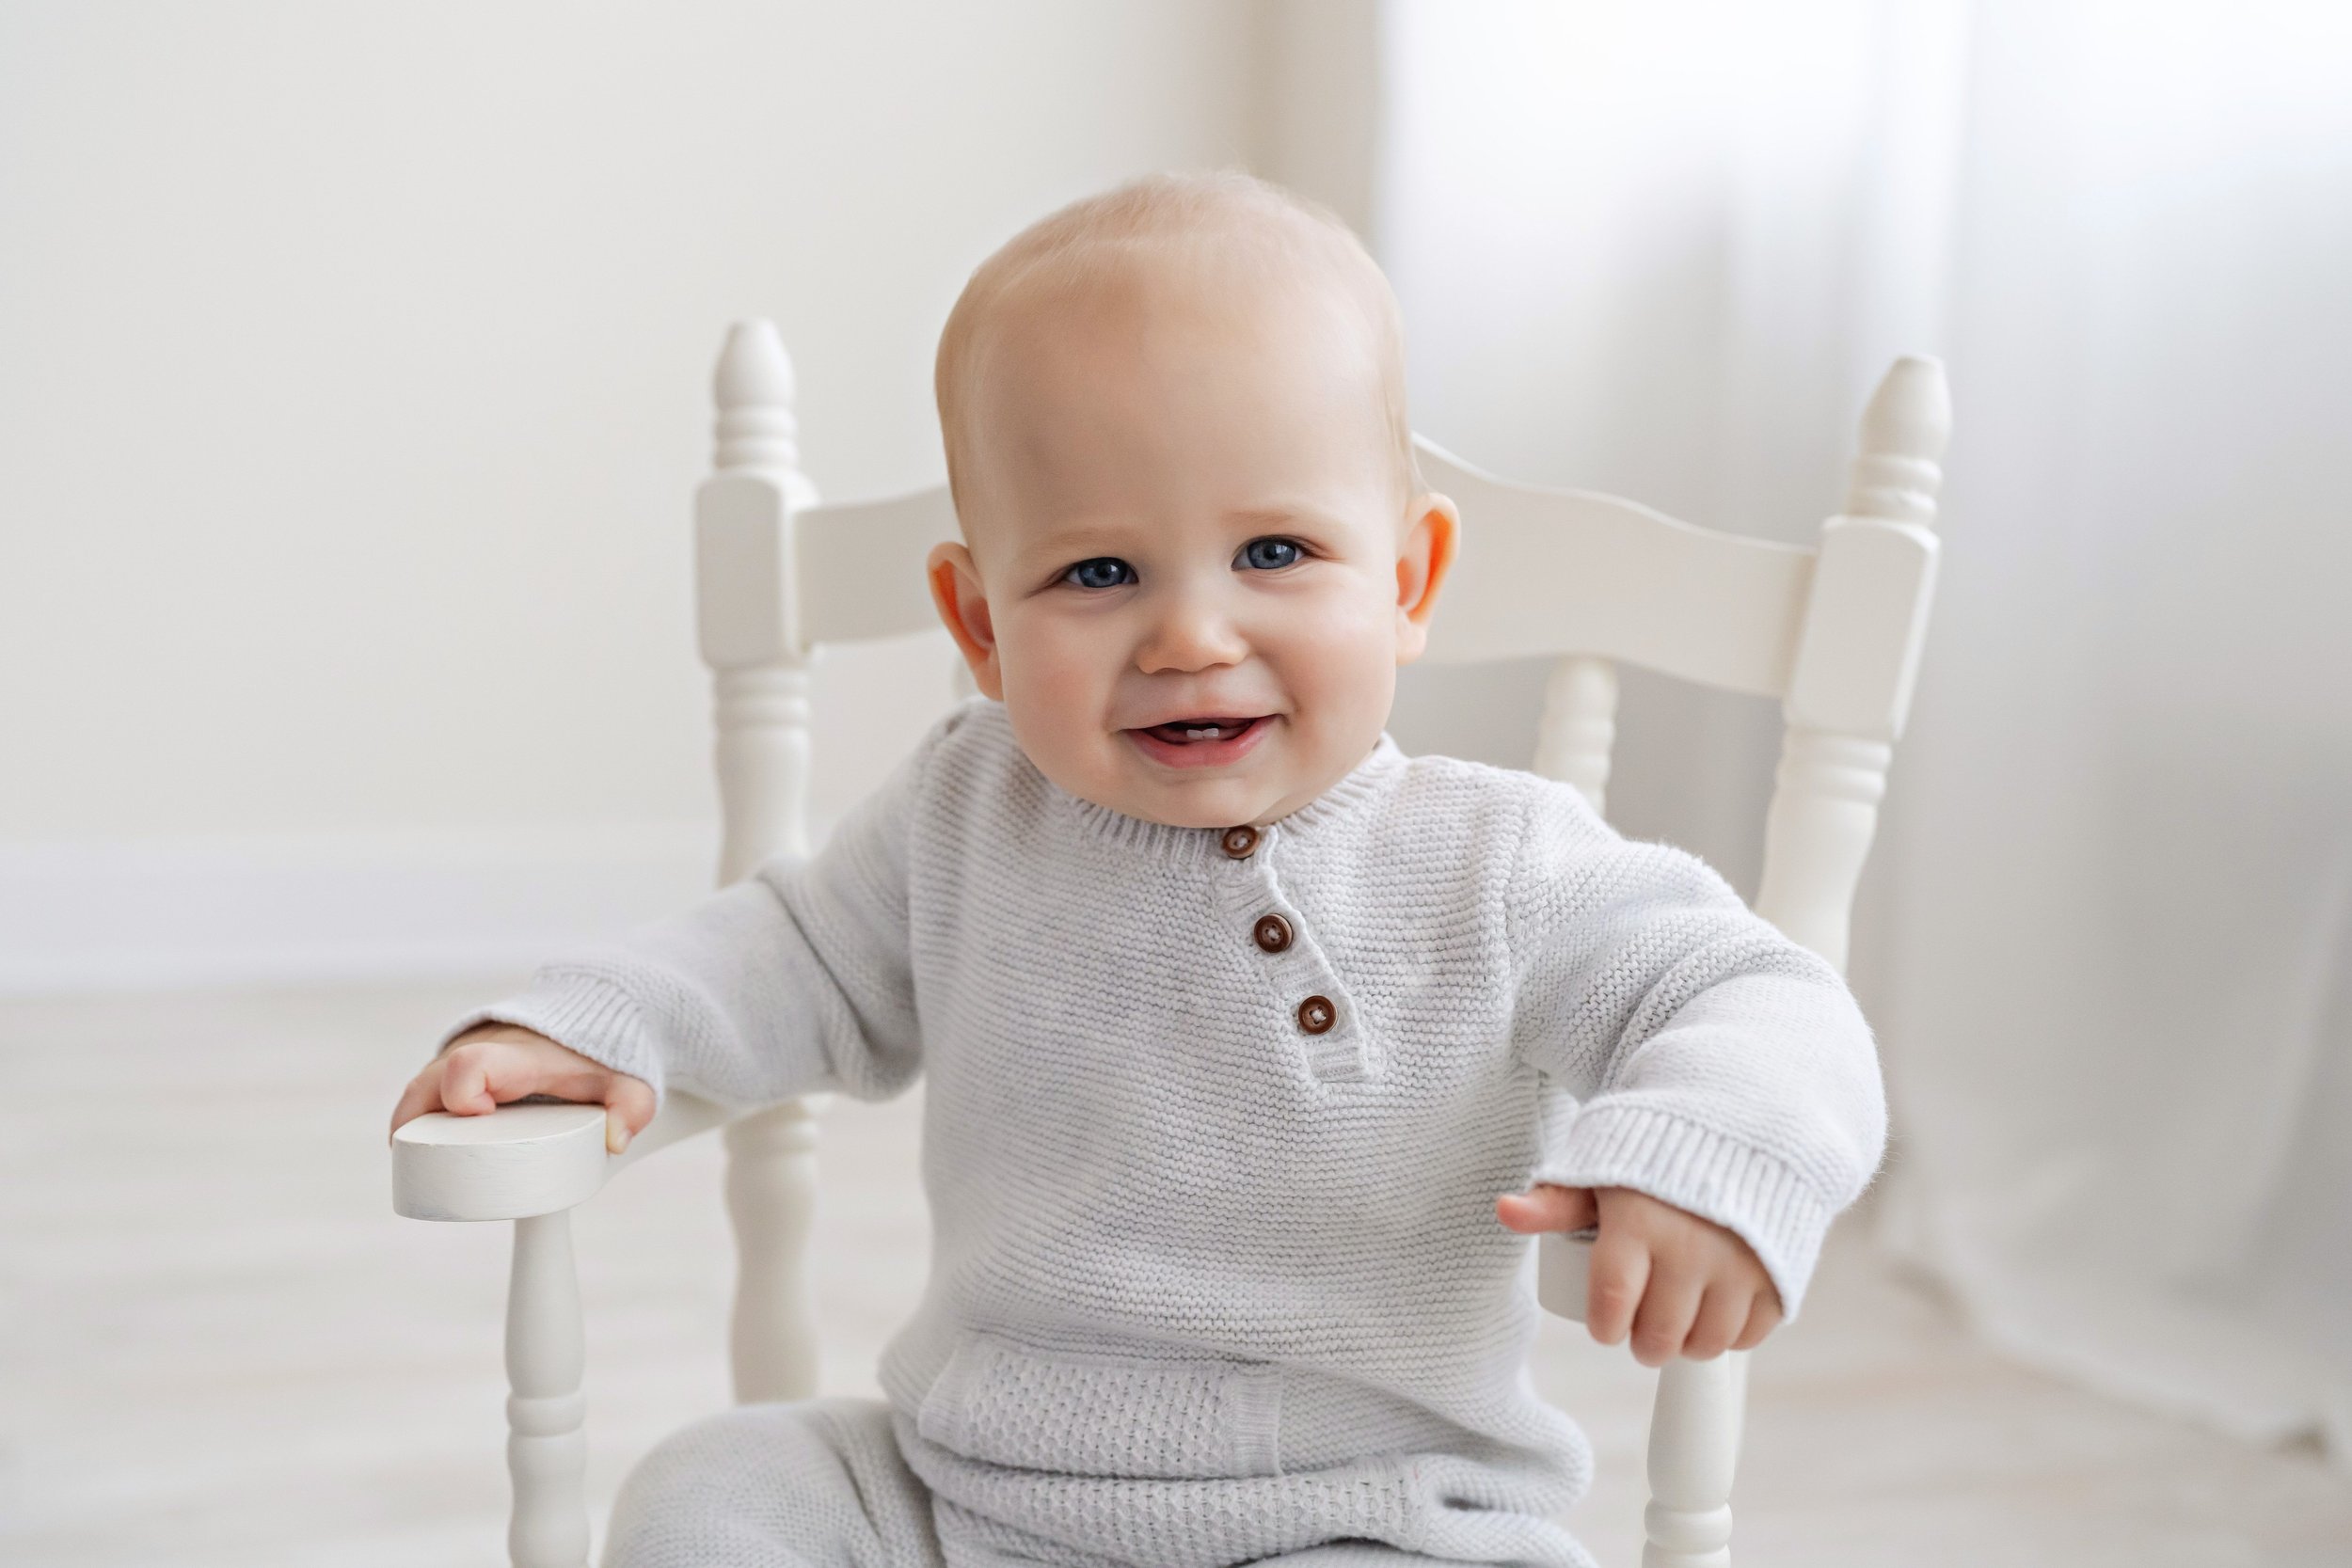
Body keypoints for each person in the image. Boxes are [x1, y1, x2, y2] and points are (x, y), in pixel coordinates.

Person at [390, 170, 1885, 1568]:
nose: (1190, 637)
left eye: (1278, 553)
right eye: (1099, 573)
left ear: (1411, 579)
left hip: (1366, 1514)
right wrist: (594, 1029)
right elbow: (781, 955)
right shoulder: (965, 812)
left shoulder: (1492, 858)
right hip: (963, 1489)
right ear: (978, 628)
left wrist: (1705, 1158)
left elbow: (1750, 990)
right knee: (716, 1490)